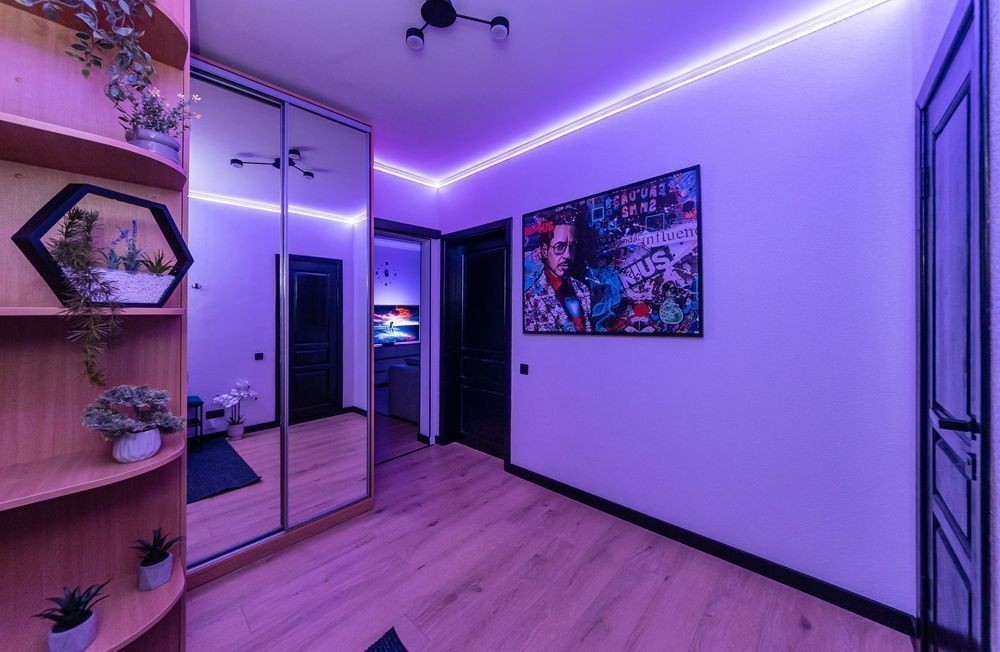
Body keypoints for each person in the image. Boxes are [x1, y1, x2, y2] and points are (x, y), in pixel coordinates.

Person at [524, 215, 592, 332]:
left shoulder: (583, 289)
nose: (567, 255)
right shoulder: (529, 299)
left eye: (572, 247)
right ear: (544, 251)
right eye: (560, 247)